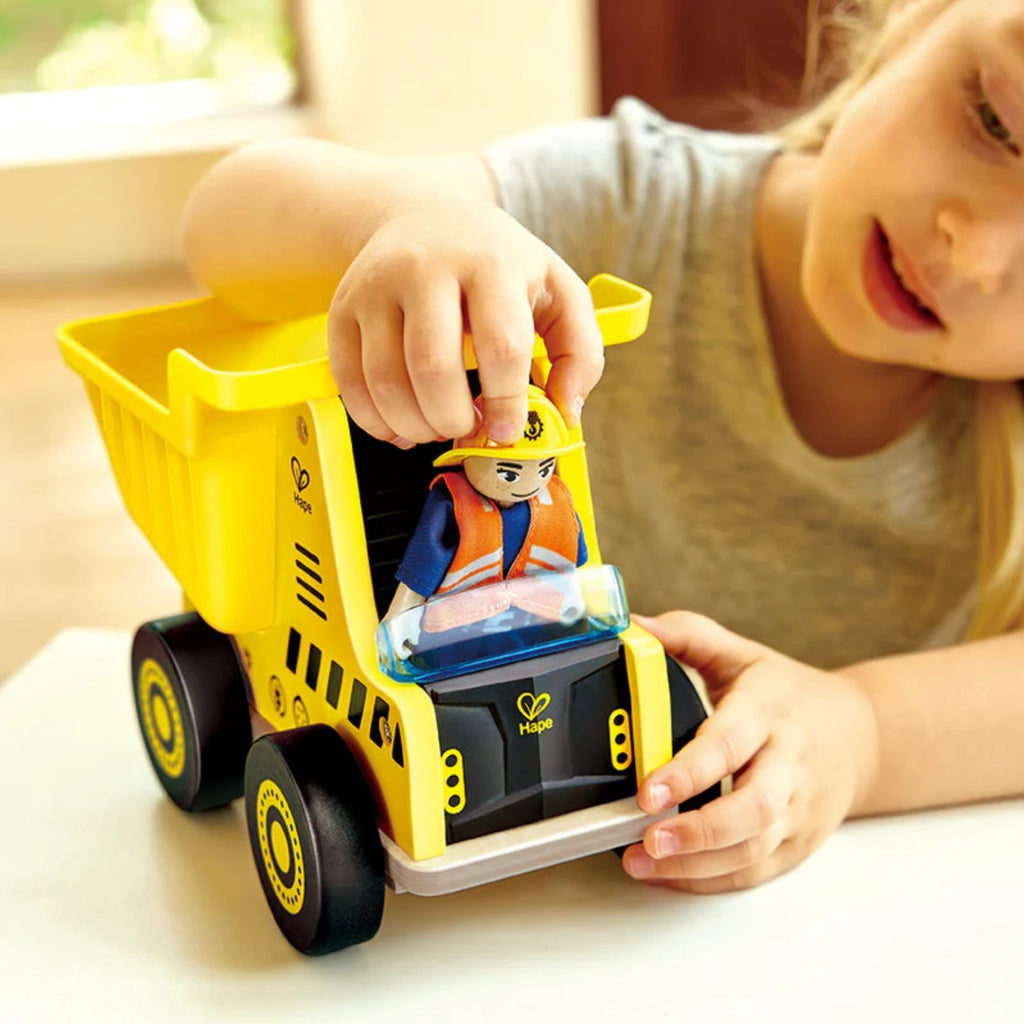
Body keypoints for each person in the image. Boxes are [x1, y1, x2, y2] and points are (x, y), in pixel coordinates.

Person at [179, 0, 1024, 893]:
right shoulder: (628, 205)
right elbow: (219, 220)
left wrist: (867, 730)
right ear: (917, 19)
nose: (973, 254)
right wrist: (405, 218)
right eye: (998, 121)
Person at [383, 385, 589, 666]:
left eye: (543, 469)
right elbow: (423, 565)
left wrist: (572, 598)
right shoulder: (453, 505)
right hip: (459, 625)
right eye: (509, 473)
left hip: (531, 619)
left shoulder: (556, 502)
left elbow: (571, 562)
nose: (531, 483)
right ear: (467, 459)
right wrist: (401, 619)